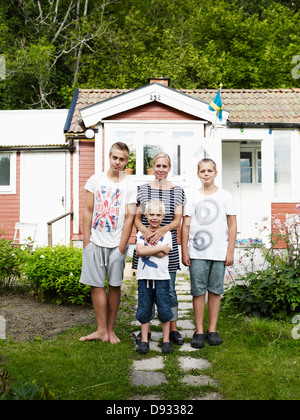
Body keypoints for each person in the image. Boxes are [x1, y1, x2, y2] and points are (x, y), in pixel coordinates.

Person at [79, 142, 136, 344]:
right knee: (96, 286)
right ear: (109, 157)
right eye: (115, 158)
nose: (117, 162)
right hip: (95, 241)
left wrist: (122, 246)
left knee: (114, 286)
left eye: (122, 159)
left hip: (116, 244)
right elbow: (87, 210)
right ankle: (100, 330)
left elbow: (130, 217)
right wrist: (86, 241)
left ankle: (111, 331)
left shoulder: (130, 185)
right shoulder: (96, 180)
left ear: (126, 161)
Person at [181, 158, 237, 347]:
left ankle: (212, 329)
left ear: (215, 173)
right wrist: (184, 250)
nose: (206, 174)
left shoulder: (225, 196)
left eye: (209, 171)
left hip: (219, 252)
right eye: (202, 171)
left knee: (215, 291)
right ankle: (198, 330)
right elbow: (185, 225)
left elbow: (232, 224)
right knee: (198, 291)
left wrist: (230, 251)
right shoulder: (192, 196)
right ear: (198, 174)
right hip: (197, 253)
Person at [133, 152, 186, 346]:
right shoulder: (142, 190)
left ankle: (173, 329)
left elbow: (178, 219)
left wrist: (162, 229)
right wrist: (146, 231)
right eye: (158, 166)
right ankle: (144, 331)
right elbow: (137, 218)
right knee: (146, 291)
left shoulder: (178, 191)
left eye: (165, 166)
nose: (161, 170)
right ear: (152, 167)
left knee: (169, 289)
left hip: (166, 242)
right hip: (146, 241)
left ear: (169, 168)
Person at [135, 199, 174, 354]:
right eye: (151, 214)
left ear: (163, 216)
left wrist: (147, 249)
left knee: (164, 309)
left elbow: (165, 251)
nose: (154, 217)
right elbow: (140, 252)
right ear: (146, 215)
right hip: (145, 278)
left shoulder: (167, 234)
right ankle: (144, 340)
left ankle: (166, 340)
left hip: (162, 279)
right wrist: (159, 250)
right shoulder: (140, 233)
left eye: (158, 214)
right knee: (144, 308)